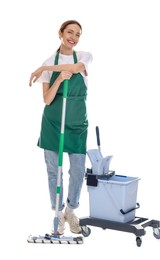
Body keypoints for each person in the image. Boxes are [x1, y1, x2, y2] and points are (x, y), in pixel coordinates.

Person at [29, 20, 93, 235]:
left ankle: (70, 211)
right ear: (60, 33)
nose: (73, 37)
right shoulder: (50, 59)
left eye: (77, 34)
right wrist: (58, 80)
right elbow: (47, 100)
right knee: (53, 172)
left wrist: (44, 68)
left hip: (76, 125)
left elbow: (75, 68)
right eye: (69, 32)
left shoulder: (84, 57)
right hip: (53, 125)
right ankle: (57, 215)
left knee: (77, 171)